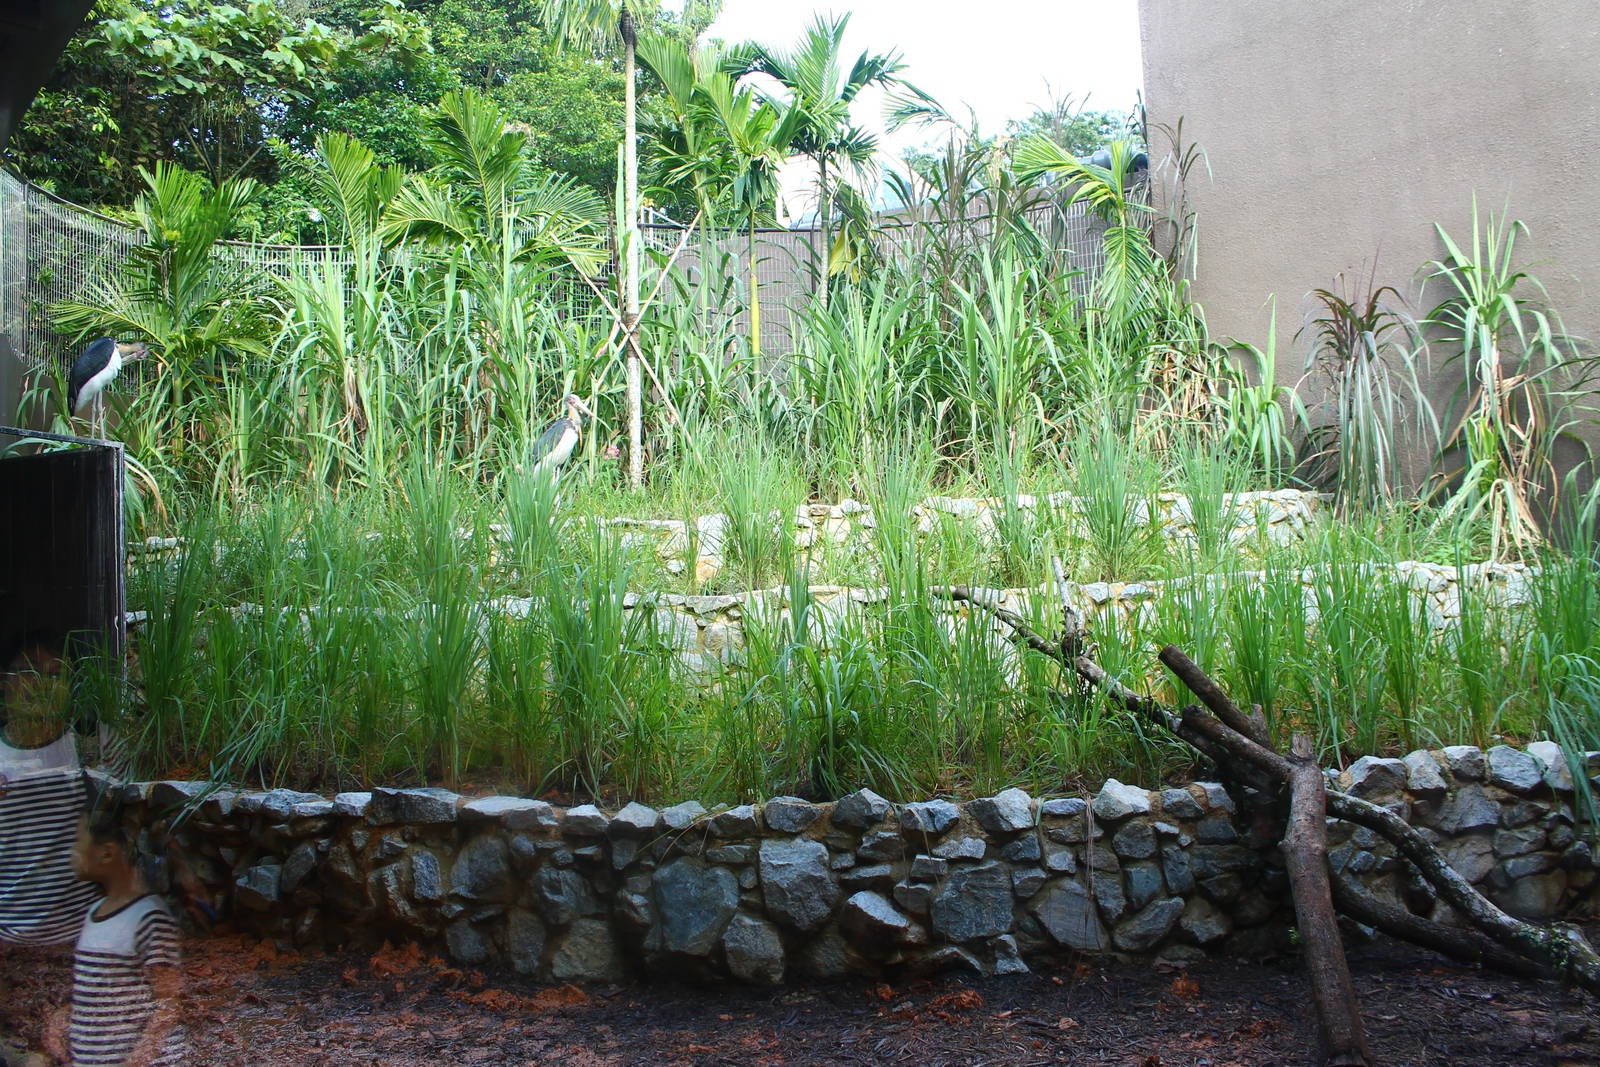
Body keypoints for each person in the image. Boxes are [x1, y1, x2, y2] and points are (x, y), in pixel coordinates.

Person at [42, 809, 185, 1067]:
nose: (69, 855)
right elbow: (97, 990)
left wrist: (136, 1060)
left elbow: (169, 1003)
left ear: (107, 853)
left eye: (75, 845)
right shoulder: (92, 914)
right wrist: (63, 1019)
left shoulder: (148, 916)